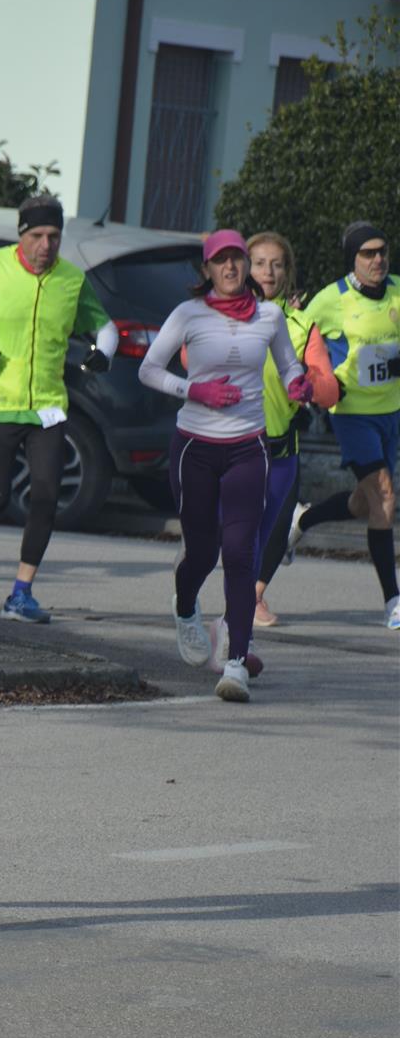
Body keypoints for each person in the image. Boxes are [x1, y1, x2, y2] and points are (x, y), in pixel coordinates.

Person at [138, 229, 314, 702]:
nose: (232, 267)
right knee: (202, 552)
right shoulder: (189, 314)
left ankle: (236, 662)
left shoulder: (270, 316)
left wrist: (297, 384)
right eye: (222, 260)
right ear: (208, 269)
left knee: (240, 553)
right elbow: (148, 369)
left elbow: (289, 365)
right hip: (195, 447)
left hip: (247, 448)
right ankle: (186, 607)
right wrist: (193, 389)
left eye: (238, 259)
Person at [0, 194, 118, 622]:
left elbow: (105, 327)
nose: (46, 245)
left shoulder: (71, 280)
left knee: (46, 497)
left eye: (54, 236)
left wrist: (103, 353)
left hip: (48, 408)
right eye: (37, 236)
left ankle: (20, 594)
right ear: (21, 235)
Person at [288, 223, 400, 630]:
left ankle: (302, 520)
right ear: (353, 258)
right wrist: (307, 384)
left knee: (365, 504)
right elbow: (293, 337)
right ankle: (393, 601)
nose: (377, 259)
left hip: (392, 412)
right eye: (368, 253)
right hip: (352, 415)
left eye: (382, 251)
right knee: (384, 496)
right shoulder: (330, 299)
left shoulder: (397, 290)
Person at [244, 232, 337, 627]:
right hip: (231, 441)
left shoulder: (300, 324)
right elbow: (187, 355)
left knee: (277, 525)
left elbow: (329, 390)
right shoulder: (224, 315)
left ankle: (253, 596)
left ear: (287, 271)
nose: (268, 271)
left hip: (281, 444)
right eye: (260, 263)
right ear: (244, 268)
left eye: (277, 264)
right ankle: (192, 585)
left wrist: (307, 381)